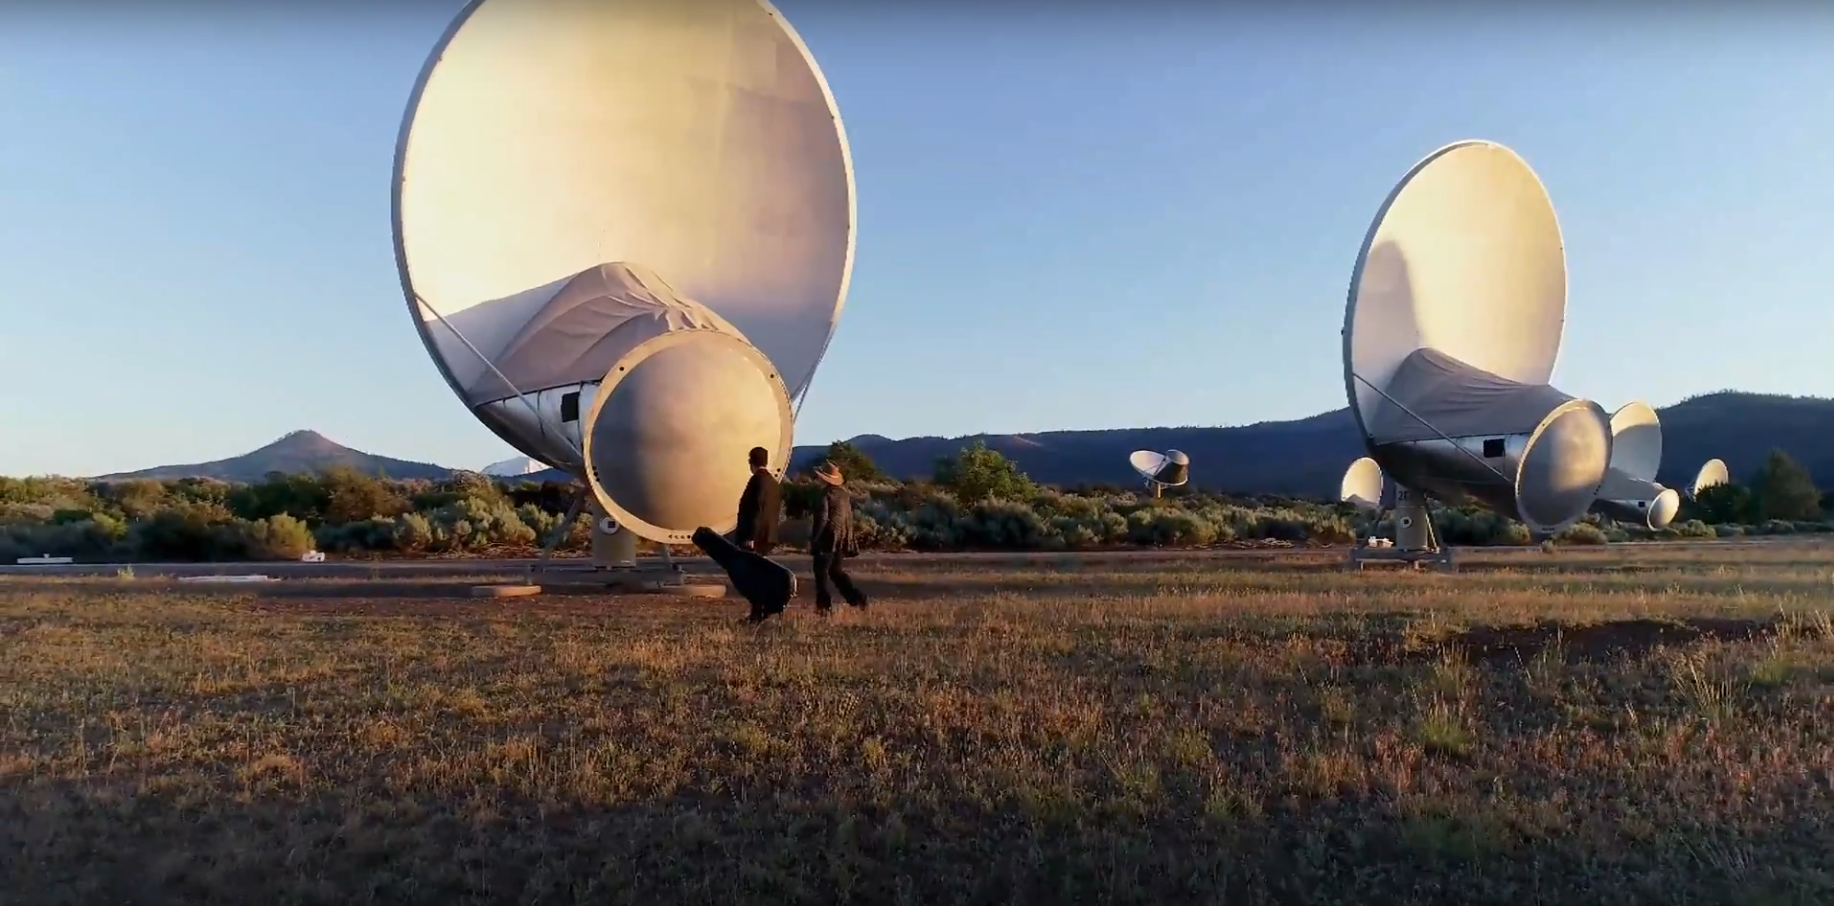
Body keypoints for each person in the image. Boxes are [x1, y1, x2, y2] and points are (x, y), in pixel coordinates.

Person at [807, 460, 868, 612]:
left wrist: (815, 539)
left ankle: (824, 606)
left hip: (826, 539)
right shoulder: (844, 495)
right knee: (836, 572)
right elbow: (847, 518)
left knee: (821, 575)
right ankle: (857, 598)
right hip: (841, 539)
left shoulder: (825, 495)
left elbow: (822, 519)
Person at [733, 446, 781, 555]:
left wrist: (751, 537)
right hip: (769, 536)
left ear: (751, 462)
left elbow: (756, 510)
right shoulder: (773, 483)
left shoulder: (757, 481)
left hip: (755, 538)